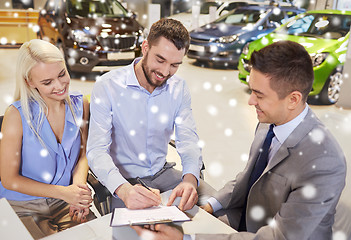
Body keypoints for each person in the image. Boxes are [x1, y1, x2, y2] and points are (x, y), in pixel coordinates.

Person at [131, 40, 347, 239]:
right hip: (246, 221)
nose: (251, 101)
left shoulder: (324, 162)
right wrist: (211, 206)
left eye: (259, 95)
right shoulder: (269, 121)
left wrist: (187, 239)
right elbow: (250, 175)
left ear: (293, 99)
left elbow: (279, 237)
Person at [87, 18, 215, 211]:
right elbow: (96, 151)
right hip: (126, 182)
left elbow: (188, 139)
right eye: (160, 60)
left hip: (163, 173)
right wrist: (123, 190)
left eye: (174, 65)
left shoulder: (179, 88)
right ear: (145, 47)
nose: (165, 72)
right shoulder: (107, 86)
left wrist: (189, 179)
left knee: (220, 206)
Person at [0, 39, 95, 239]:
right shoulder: (16, 115)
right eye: (47, 82)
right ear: (29, 82)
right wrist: (64, 193)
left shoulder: (80, 104)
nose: (60, 86)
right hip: (22, 206)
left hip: (65, 202)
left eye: (62, 74)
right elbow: (9, 180)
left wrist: (77, 190)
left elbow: (83, 152)